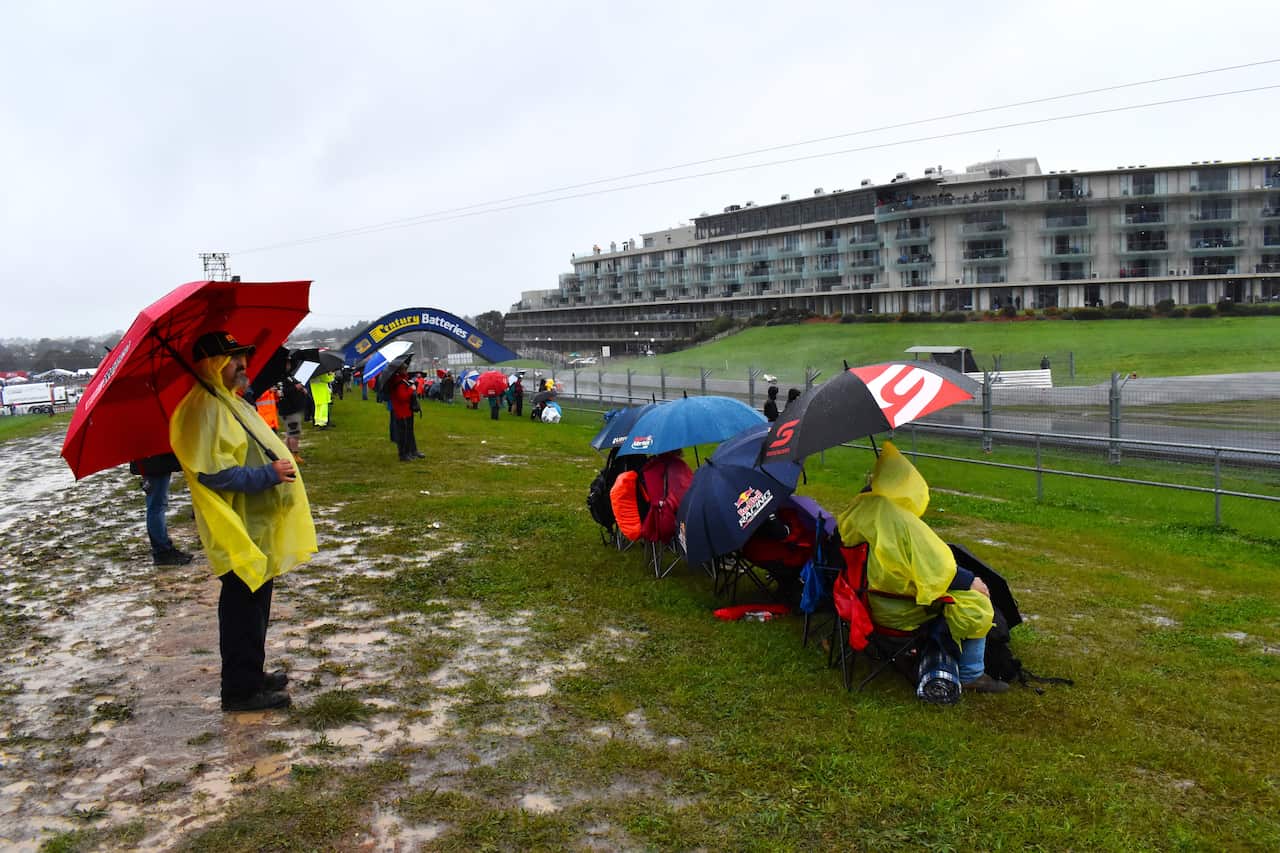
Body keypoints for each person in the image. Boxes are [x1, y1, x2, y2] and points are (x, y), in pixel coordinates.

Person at [169, 331, 317, 712]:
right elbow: (213, 473)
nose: (244, 366)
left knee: (257, 605)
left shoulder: (226, 401)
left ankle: (253, 673)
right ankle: (240, 691)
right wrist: (267, 475)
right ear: (213, 364)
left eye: (242, 358)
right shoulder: (203, 408)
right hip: (234, 528)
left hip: (254, 525)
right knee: (241, 610)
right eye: (234, 359)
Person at [836, 441, 1007, 694]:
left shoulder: (858, 510)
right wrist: (970, 581)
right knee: (977, 603)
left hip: (863, 604)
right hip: (903, 612)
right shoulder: (899, 521)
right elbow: (937, 567)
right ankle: (972, 674)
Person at [130, 453, 193, 566]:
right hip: (154, 462)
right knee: (156, 506)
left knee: (157, 505)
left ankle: (163, 549)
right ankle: (162, 551)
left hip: (153, 461)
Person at [388, 363, 423, 461]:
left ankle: (412, 450)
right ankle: (404, 454)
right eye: (404, 369)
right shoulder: (397, 381)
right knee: (403, 434)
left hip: (407, 410)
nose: (406, 371)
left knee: (409, 432)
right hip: (401, 411)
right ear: (399, 370)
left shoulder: (403, 379)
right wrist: (411, 390)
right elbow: (402, 397)